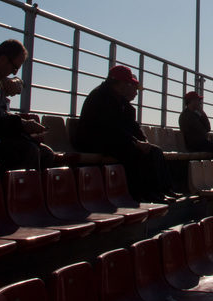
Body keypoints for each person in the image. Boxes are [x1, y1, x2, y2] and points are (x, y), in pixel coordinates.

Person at [73, 66, 176, 202]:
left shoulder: (121, 101)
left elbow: (132, 126)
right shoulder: (100, 97)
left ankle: (163, 190)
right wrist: (135, 142)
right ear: (120, 83)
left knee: (154, 151)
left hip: (113, 140)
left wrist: (144, 141)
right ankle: (143, 193)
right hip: (95, 141)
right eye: (129, 84)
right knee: (135, 153)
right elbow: (110, 128)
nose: (131, 88)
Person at [0, 39, 53, 170]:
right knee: (29, 151)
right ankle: (21, 189)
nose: (15, 73)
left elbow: (15, 87)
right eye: (15, 67)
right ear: (2, 60)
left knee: (46, 153)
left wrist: (16, 82)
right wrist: (22, 124)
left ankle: (36, 189)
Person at [178, 91, 213, 157]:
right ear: (192, 101)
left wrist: (202, 113)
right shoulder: (187, 115)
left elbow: (208, 128)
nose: (200, 102)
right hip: (195, 145)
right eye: (198, 100)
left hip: (201, 143)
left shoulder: (195, 114)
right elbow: (203, 131)